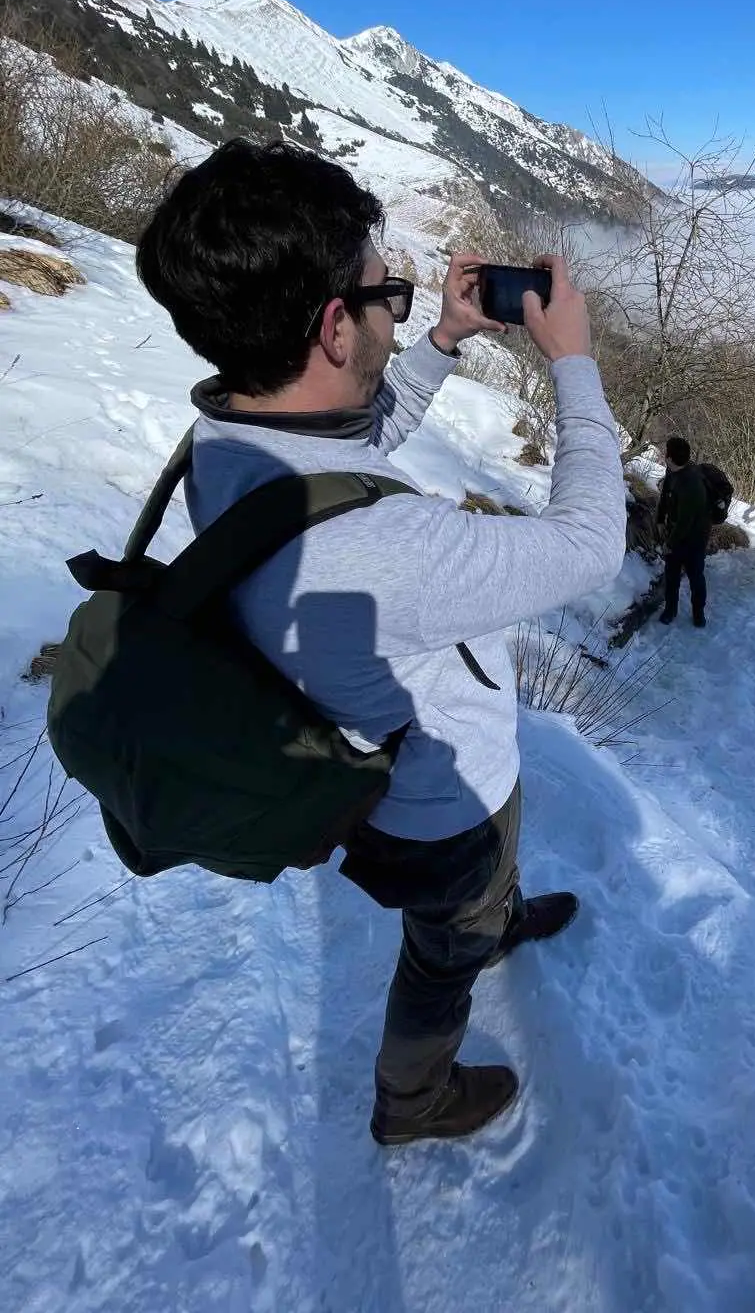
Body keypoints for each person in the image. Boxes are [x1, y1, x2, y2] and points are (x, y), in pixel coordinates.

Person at [135, 139, 626, 1146]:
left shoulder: (233, 435)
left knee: (474, 902)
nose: (394, 313)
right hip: (442, 803)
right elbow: (589, 545)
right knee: (444, 950)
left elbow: (352, 448)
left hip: (391, 769)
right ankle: (416, 1098)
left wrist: (441, 338)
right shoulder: (380, 551)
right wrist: (573, 364)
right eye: (384, 297)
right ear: (331, 327)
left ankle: (490, 919)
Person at [656, 435, 711, 628]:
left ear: (670, 457)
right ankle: (670, 610)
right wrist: (659, 520)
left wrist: (669, 544)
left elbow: (685, 522)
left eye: (666, 453)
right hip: (676, 531)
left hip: (695, 538)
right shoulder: (672, 471)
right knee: (671, 575)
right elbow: (665, 497)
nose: (664, 455)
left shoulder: (692, 483)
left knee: (696, 577)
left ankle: (698, 613)